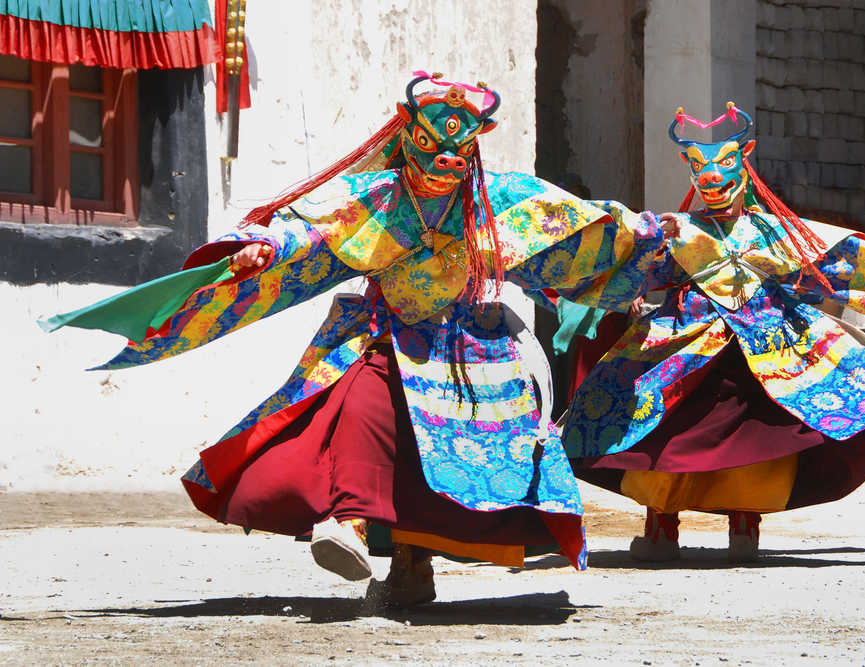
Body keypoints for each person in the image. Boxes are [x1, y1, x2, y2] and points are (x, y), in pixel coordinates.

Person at [43, 72, 666, 605]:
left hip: (472, 351)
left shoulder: (499, 202)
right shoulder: (373, 200)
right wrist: (262, 250)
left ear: (473, 146)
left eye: (459, 145)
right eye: (431, 143)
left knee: (446, 459)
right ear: (409, 136)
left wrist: (641, 233)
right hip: (385, 334)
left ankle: (411, 569)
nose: (445, 159)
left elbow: (579, 227)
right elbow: (307, 228)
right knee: (362, 406)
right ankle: (348, 522)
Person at [560, 102, 865, 563]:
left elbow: (834, 273)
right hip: (683, 345)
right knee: (661, 429)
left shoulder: (777, 233)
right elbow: (638, 271)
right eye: (700, 174)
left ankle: (742, 523)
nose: (712, 185)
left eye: (722, 172)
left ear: (743, 167)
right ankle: (662, 527)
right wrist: (650, 248)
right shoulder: (678, 229)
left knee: (755, 430)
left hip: (765, 348)